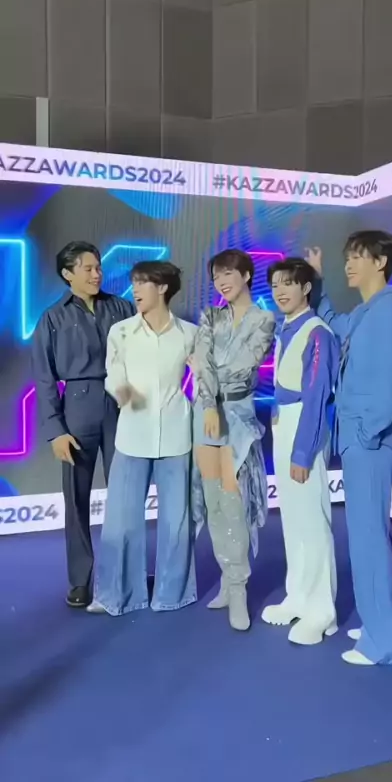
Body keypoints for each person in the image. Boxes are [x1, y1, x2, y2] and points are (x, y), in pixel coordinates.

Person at [306, 231, 392, 666]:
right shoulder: (369, 311)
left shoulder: (388, 313)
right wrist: (317, 280)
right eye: (347, 256)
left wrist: (366, 434)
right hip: (359, 440)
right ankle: (381, 623)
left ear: (380, 262)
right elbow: (336, 322)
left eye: (357, 257)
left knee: (368, 542)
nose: (348, 264)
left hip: (370, 443)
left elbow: (388, 384)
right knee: (370, 538)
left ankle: (386, 643)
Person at [87, 261, 197, 616]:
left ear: (162, 287)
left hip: (176, 436)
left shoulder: (190, 334)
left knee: (176, 521)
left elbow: (203, 380)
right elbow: (113, 371)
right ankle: (116, 594)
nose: (135, 290)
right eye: (133, 283)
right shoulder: (121, 332)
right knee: (121, 520)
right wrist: (120, 389)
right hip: (132, 435)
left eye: (142, 283)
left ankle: (172, 593)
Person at [32, 241, 135, 608]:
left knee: (126, 491)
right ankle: (80, 579)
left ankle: (125, 571)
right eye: (88, 268)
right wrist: (56, 430)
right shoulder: (52, 318)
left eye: (98, 267)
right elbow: (44, 378)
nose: (96, 274)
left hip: (121, 403)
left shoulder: (121, 307)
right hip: (77, 407)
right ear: (68, 274)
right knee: (76, 499)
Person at [189, 249, 276, 632]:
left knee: (234, 502)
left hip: (238, 416)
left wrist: (204, 370)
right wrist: (208, 401)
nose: (221, 282)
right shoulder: (210, 316)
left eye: (227, 274)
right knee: (214, 504)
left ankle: (239, 587)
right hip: (205, 416)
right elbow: (202, 360)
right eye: (216, 277)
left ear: (245, 275)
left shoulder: (264, 320)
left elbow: (244, 367)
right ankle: (227, 579)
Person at [262, 258, 339, 645]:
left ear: (306, 288)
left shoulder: (317, 333)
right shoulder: (286, 329)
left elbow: (317, 397)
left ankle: (322, 611)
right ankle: (298, 596)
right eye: (276, 284)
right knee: (293, 520)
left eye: (289, 283)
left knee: (313, 521)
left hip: (303, 429)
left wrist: (303, 452)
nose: (280, 291)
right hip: (283, 425)